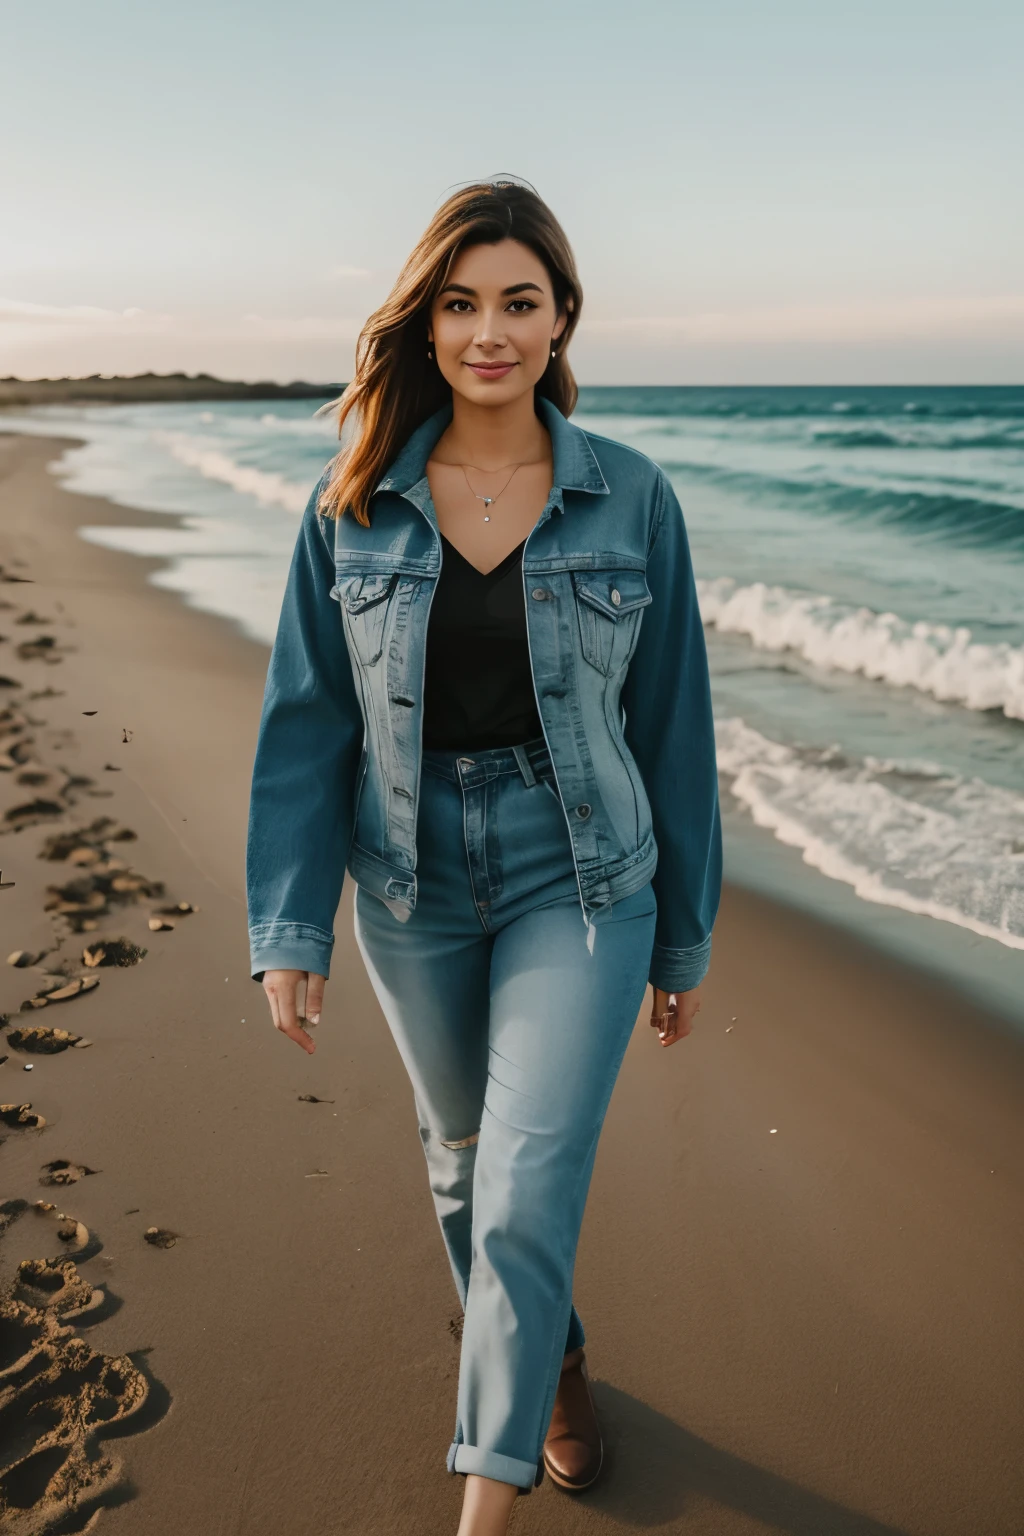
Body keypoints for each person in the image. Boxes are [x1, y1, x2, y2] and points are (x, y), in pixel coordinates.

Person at [246, 176, 722, 1536]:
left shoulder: (634, 499)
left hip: (583, 874)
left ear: (563, 314)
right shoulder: (351, 503)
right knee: (463, 1163)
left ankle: (483, 1502)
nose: (488, 331)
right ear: (426, 321)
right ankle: (557, 1368)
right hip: (407, 878)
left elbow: (675, 726)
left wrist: (682, 933)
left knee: (524, 1175)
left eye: (519, 301)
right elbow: (305, 723)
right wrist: (288, 931)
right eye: (460, 303)